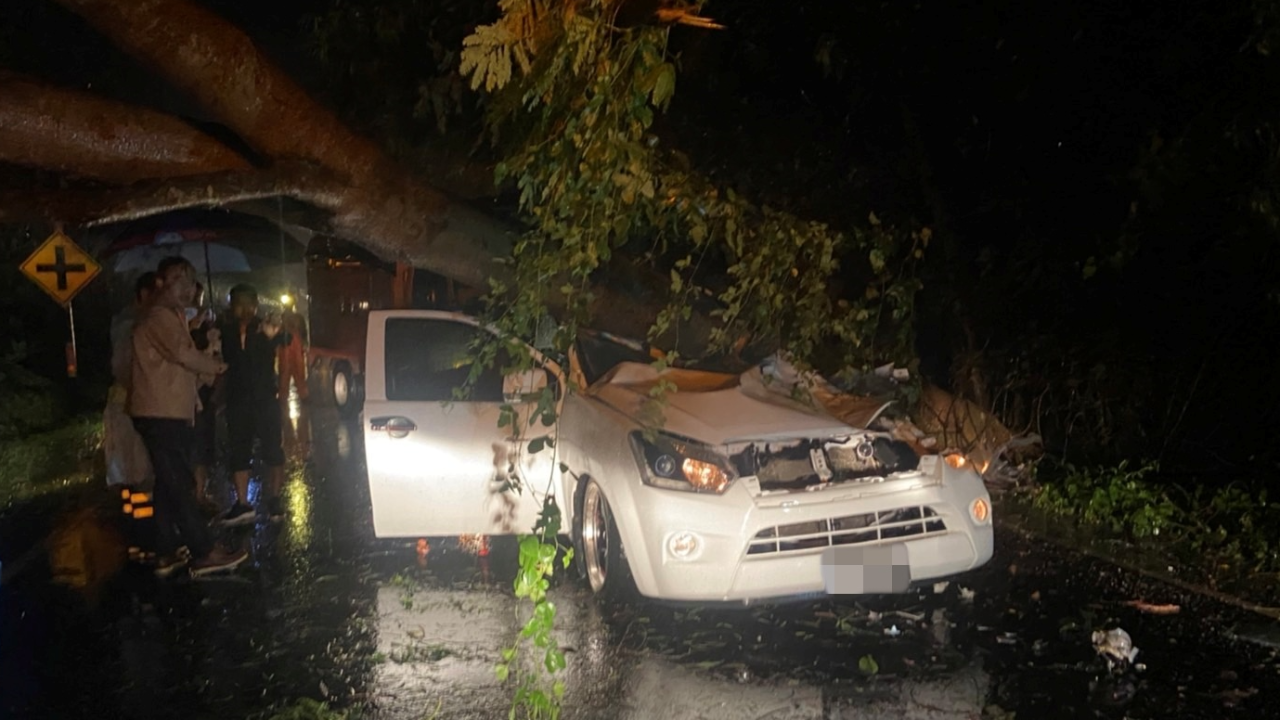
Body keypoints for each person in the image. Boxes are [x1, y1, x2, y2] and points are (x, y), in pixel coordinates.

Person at [130, 258, 247, 577]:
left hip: (167, 411)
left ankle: (166, 550)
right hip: (160, 413)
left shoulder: (172, 317)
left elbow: (179, 367)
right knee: (180, 484)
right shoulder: (159, 316)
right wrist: (215, 366)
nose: (186, 286)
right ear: (159, 284)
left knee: (169, 486)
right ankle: (204, 550)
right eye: (178, 279)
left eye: (190, 279)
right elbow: (182, 355)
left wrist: (207, 360)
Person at [220, 284, 288, 524]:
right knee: (239, 449)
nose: (244, 309)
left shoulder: (265, 327)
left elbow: (285, 337)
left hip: (264, 399)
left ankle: (275, 499)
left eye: (249, 304)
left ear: (256, 304)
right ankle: (242, 503)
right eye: (238, 303)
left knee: (272, 450)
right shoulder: (224, 330)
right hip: (238, 399)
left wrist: (273, 335)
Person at [105, 272, 158, 490]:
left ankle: (139, 514)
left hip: (136, 400)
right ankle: (141, 517)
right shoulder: (130, 324)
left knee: (136, 465)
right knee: (135, 466)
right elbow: (123, 365)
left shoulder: (133, 321)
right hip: (131, 401)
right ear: (145, 294)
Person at [277, 290, 309, 403]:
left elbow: (303, 333)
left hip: (295, 349)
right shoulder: (282, 318)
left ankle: (303, 395)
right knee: (284, 374)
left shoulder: (298, 318)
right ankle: (282, 397)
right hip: (286, 349)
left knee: (299, 374)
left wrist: (304, 344)